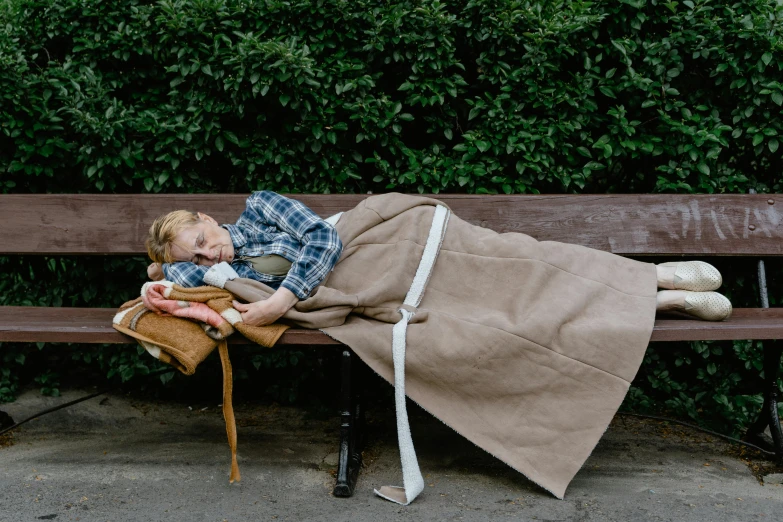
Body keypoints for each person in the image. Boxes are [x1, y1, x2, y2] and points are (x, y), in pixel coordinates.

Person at [145, 191, 732, 326]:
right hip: (379, 285)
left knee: (520, 261)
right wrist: (162, 268)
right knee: (508, 309)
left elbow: (325, 242)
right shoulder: (215, 271)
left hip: (401, 239)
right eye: (195, 256)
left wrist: (280, 298)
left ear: (208, 218)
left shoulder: (261, 208)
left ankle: (651, 275)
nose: (208, 254)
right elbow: (174, 275)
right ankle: (666, 299)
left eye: (203, 239)